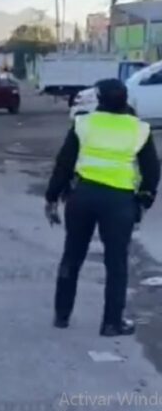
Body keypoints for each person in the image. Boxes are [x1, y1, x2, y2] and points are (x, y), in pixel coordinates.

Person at [44, 78, 159, 336]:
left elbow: (64, 164)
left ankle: (62, 315)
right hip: (119, 202)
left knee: (72, 256)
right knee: (116, 263)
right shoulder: (139, 129)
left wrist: (51, 196)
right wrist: (143, 200)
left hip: (83, 197)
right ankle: (111, 323)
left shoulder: (84, 123)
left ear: (99, 99)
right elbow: (152, 171)